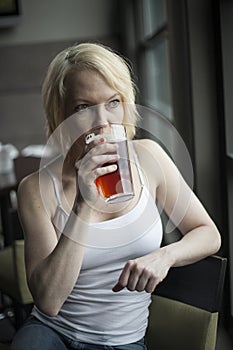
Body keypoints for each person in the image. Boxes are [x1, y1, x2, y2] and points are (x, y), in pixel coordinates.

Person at [12, 42, 221, 350]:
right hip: (51, 333)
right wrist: (84, 205)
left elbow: (209, 234)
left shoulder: (150, 157)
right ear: (61, 114)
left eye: (113, 102)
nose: (102, 122)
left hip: (123, 341)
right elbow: (48, 301)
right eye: (83, 107)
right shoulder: (35, 188)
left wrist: (165, 256)